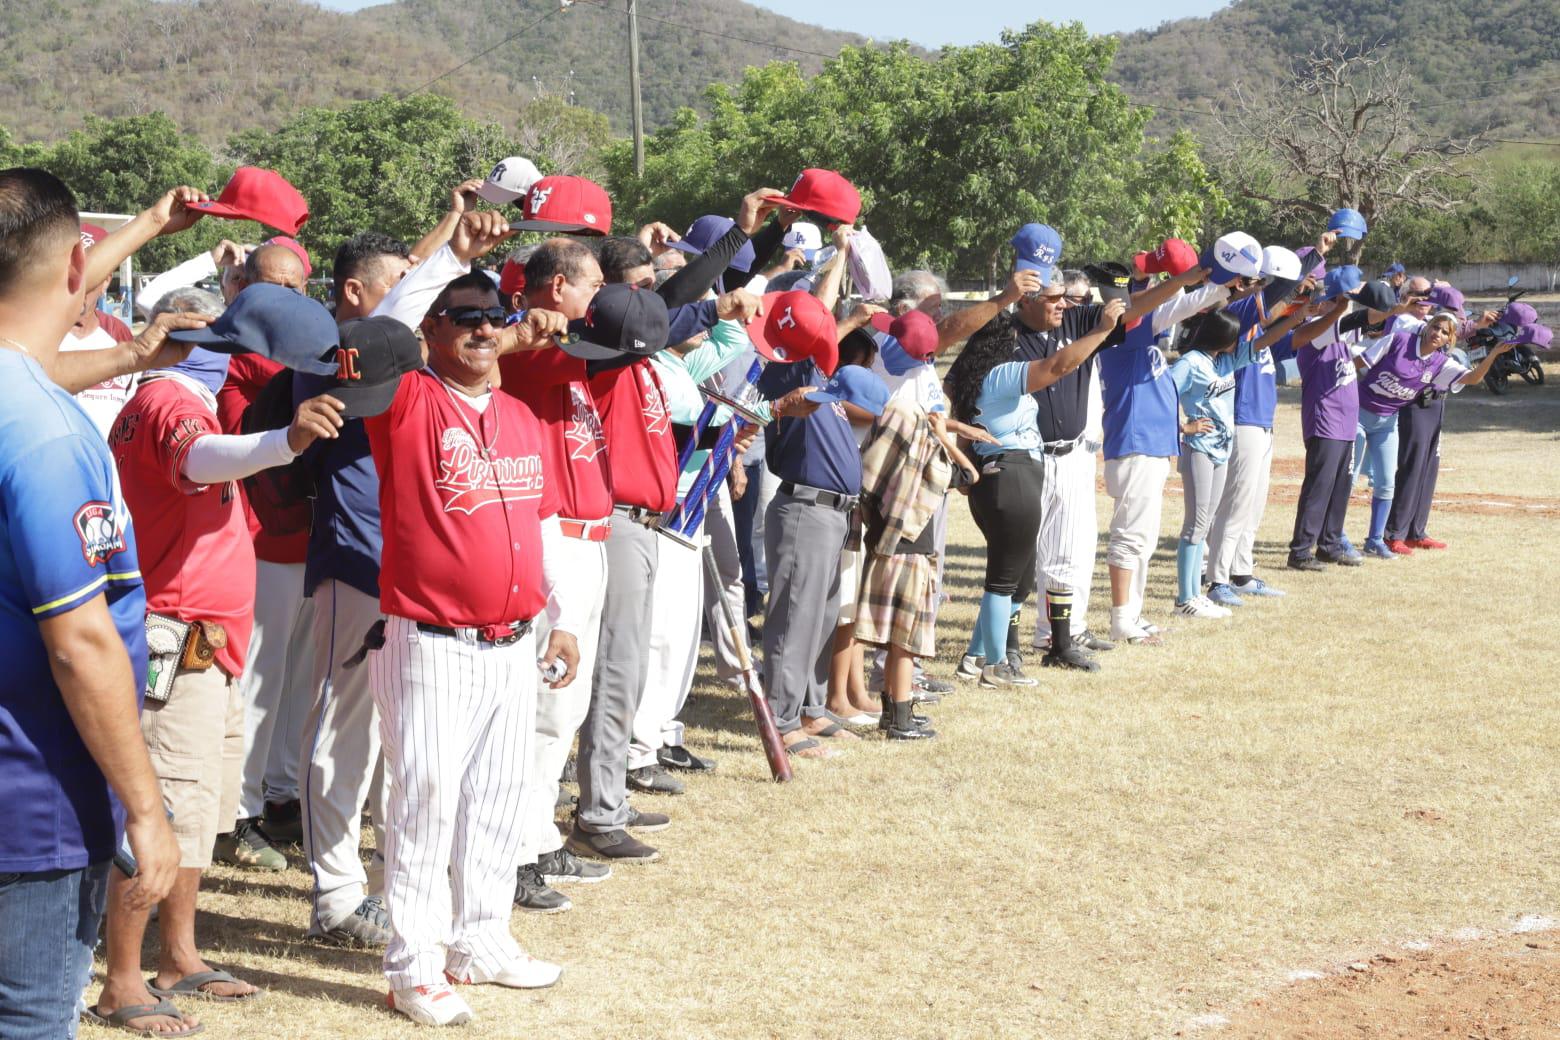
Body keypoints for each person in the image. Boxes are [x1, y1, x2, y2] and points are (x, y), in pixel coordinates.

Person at [100, 284, 349, 1023]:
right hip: (181, 647)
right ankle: (122, 978)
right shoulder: (169, 401)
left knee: (195, 810)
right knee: (163, 808)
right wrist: (287, 442)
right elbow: (203, 461)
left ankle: (176, 957)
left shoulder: (181, 399)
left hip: (206, 647)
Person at [362, 239, 584, 1025]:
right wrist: (449, 249)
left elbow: (542, 523)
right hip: (428, 641)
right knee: (425, 806)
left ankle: (481, 939)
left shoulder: (521, 415)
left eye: (495, 317)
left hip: (512, 639)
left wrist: (561, 617)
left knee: (494, 801)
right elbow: (373, 334)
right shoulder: (407, 398)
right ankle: (413, 967)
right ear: (432, 329)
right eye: (464, 318)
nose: (484, 330)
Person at [0, 166, 180, 1040]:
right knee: (31, 1020)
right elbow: (82, 642)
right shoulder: (40, 429)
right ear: (77, 266)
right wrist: (145, 809)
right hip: (30, 801)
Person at [294, 230, 415, 945]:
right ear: (355, 292)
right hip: (354, 562)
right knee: (343, 734)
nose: (407, 295)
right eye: (395, 282)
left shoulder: (402, 357)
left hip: (410, 571)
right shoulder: (328, 357)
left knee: (400, 737)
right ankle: (336, 894)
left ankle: (390, 878)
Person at [944, 295, 1124, 686]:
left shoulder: (972, 376)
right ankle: (996, 666)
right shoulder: (1001, 374)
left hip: (1003, 476)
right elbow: (1060, 365)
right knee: (1004, 579)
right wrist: (1101, 331)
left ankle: (975, 657)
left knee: (1019, 578)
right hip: (1012, 474)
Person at [211, 240, 315, 871]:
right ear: (244, 287)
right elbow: (243, 448)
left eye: (297, 289)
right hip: (259, 540)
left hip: (312, 538)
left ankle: (280, 796)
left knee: (299, 684)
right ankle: (238, 812)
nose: (286, 301)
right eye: (272, 287)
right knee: (258, 683)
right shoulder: (228, 357)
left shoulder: (314, 351)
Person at [1098, 242, 1225, 644]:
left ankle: (1132, 615)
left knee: (1145, 538)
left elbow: (1170, 306)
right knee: (1130, 536)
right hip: (1135, 444)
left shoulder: (1142, 336)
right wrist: (1205, 282)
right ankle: (1121, 620)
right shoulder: (1124, 331)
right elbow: (1174, 306)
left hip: (1150, 444)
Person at [1170, 305, 1306, 617]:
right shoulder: (1191, 363)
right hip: (1200, 449)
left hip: (1222, 449)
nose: (1240, 341)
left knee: (1204, 525)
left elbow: (1262, 342)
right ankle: (1185, 598)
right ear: (1221, 336)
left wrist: (1296, 318)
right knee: (1195, 525)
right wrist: (1184, 426)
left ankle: (1196, 595)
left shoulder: (1226, 360)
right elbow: (1162, 395)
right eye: (1235, 336)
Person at [1351, 308, 1516, 561]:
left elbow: (1471, 378)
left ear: (1450, 340)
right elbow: (1357, 364)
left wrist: (1493, 353)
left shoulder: (1440, 363)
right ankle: (1331, 537)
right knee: (1347, 479)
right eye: (1435, 327)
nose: (1437, 333)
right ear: (1427, 327)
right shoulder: (1399, 340)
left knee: (1386, 483)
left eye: (1444, 332)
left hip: (1387, 421)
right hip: (1359, 413)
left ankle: (1375, 541)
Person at [58, 222, 137, 440]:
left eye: (89, 276)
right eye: (70, 274)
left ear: (106, 281)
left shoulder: (118, 334)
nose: (78, 287)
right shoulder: (37, 334)